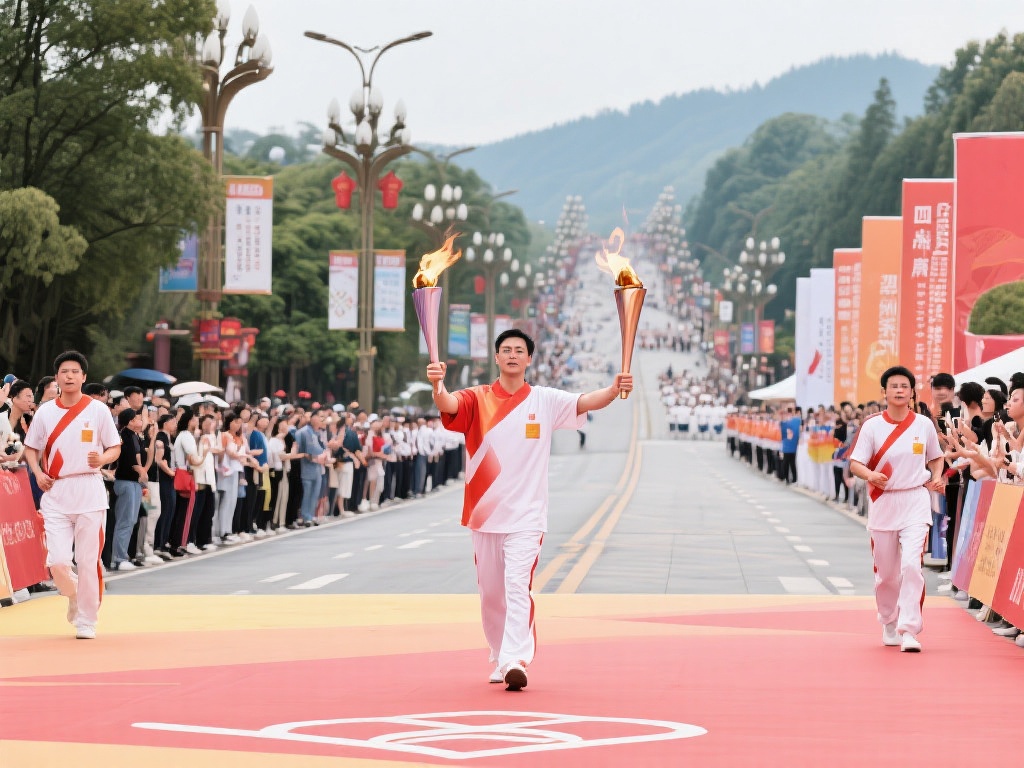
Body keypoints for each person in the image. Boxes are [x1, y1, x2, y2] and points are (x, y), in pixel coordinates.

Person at [426, 328, 632, 691]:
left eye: (519, 350)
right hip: (485, 514)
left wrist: (614, 390)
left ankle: (515, 658)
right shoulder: (476, 398)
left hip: (527, 516)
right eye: (505, 350)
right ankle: (498, 652)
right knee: (491, 593)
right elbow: (449, 407)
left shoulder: (544, 400)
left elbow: (586, 401)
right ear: (496, 357)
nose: (512, 355)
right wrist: (438, 387)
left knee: (517, 585)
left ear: (529, 359)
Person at [22, 351, 121, 639]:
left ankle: (87, 620)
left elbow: (115, 447)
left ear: (84, 377)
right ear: (57, 377)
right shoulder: (45, 412)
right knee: (58, 562)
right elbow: (31, 447)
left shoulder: (98, 410)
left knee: (89, 561)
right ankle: (75, 594)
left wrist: (102, 460)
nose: (69, 376)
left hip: (89, 489)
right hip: (56, 490)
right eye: (64, 371)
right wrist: (38, 473)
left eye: (75, 372)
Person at [849, 365, 944, 653]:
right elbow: (856, 463)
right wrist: (870, 476)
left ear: (912, 392)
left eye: (905, 386)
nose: (900, 390)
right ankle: (888, 621)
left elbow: (936, 457)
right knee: (887, 574)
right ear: (884, 392)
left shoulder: (924, 425)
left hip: (915, 500)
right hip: (884, 502)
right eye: (894, 386)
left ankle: (909, 629)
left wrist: (937, 477)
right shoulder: (872, 425)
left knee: (912, 565)